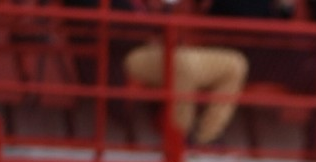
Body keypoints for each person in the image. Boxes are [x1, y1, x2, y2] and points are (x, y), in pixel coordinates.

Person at [67, 0, 250, 145]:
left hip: (161, 45)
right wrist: (152, 26)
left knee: (234, 64)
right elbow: (105, 27)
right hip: (128, 54)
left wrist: (160, 12)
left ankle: (207, 138)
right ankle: (179, 138)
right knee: (179, 65)